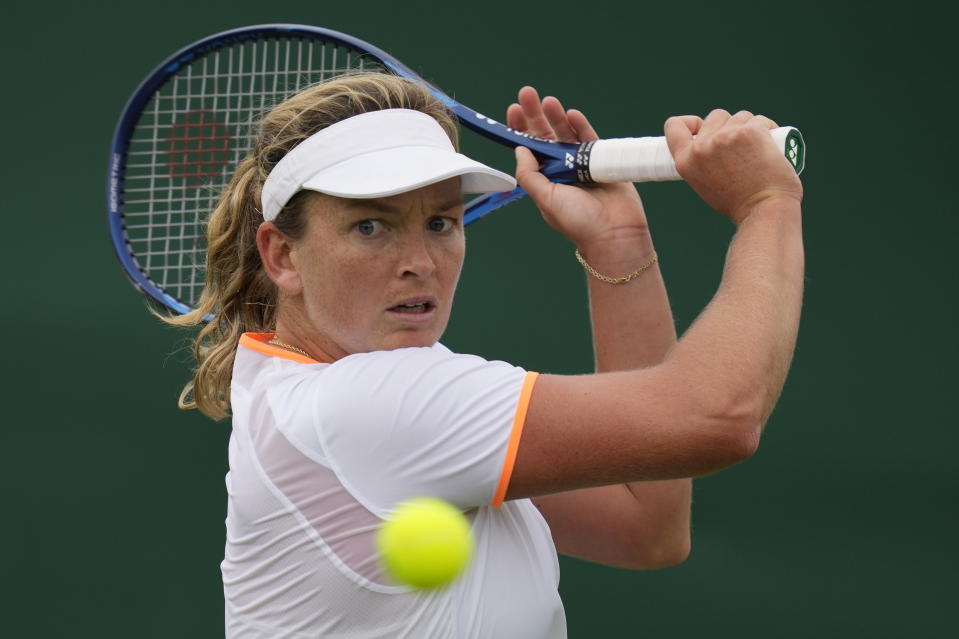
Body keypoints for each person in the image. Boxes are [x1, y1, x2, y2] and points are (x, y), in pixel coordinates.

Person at [170, 72, 804, 638]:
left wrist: (620, 246)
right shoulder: (369, 404)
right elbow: (718, 418)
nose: (419, 262)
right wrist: (766, 206)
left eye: (441, 223)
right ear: (282, 255)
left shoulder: (318, 397)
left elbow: (646, 525)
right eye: (371, 226)